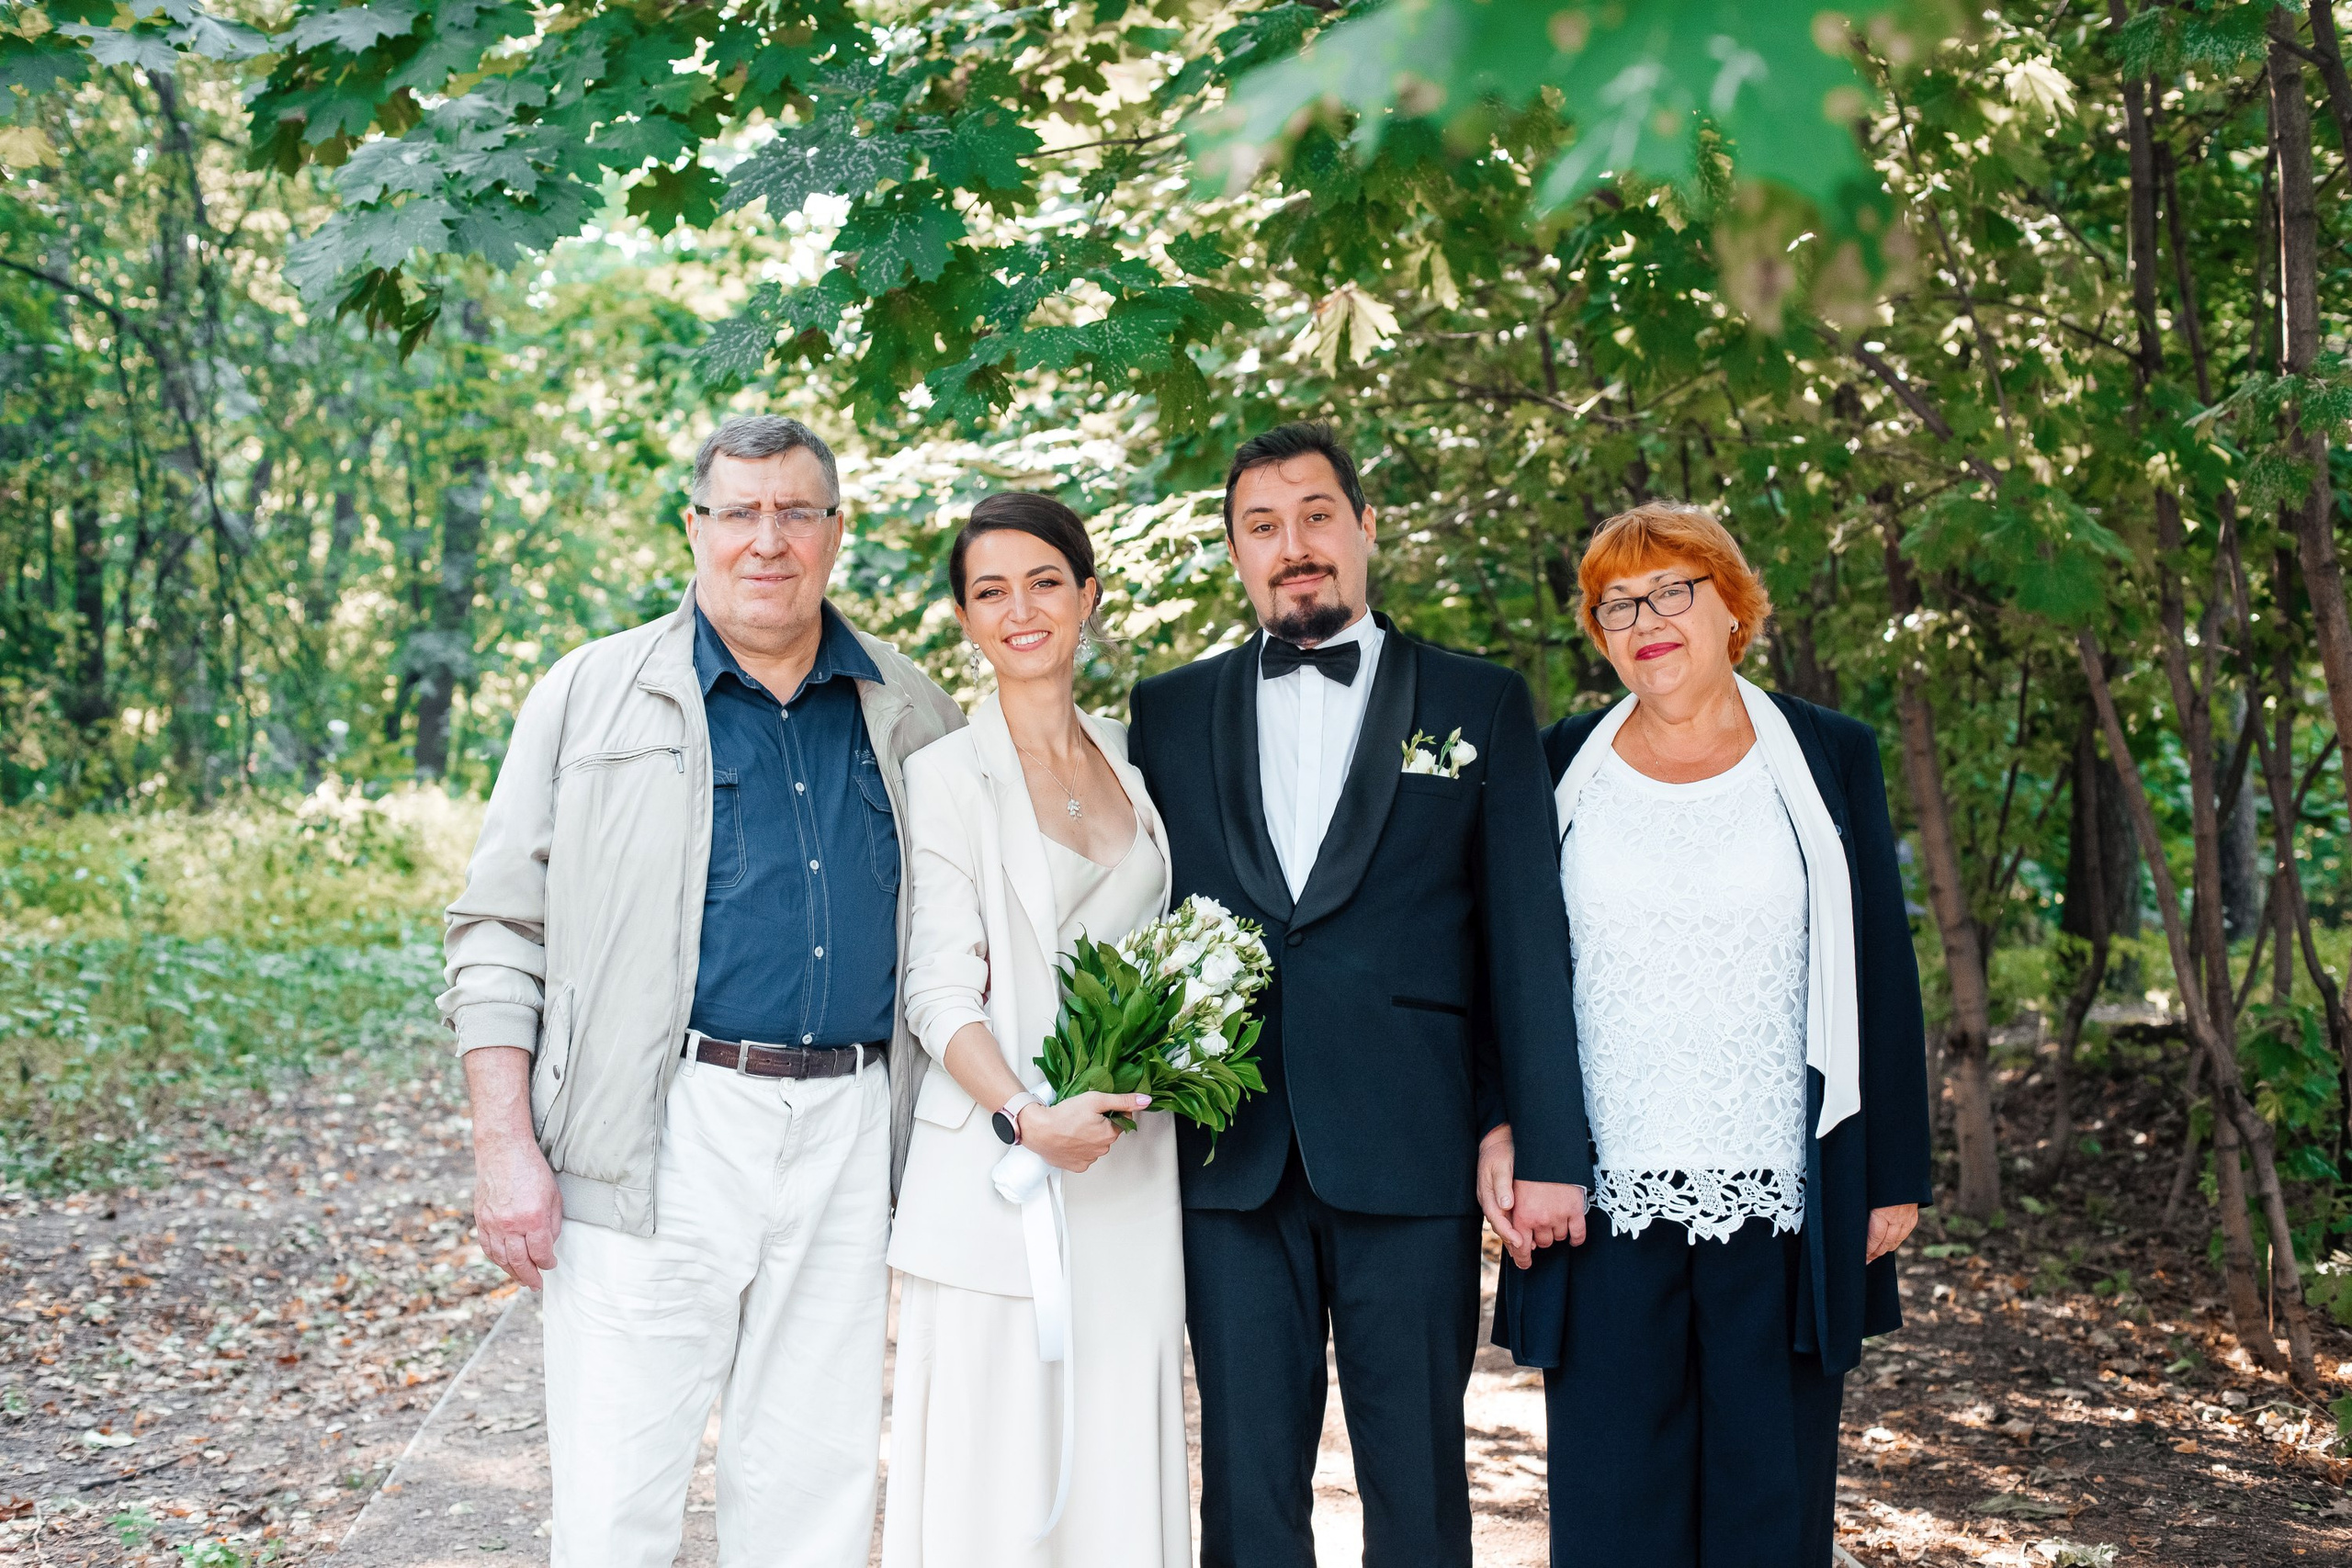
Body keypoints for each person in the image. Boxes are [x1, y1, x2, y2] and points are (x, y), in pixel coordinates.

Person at [437, 414, 965, 1568]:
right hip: (653, 1130)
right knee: (619, 1492)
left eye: (795, 511)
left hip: (851, 1129)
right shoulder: (587, 696)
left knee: (813, 1489)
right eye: (738, 511)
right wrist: (503, 1146)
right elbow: (495, 929)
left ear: (837, 530)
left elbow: (968, 949)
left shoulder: (916, 712)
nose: (765, 540)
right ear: (696, 526)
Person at [1125, 423, 1589, 1568]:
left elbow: (1524, 938)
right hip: (1230, 1151)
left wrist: (1533, 1133)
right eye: (1262, 526)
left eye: (1316, 516)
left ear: (1366, 526)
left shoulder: (1479, 703)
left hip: (1412, 1143)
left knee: (1419, 1475)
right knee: (1242, 1481)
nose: (1294, 546)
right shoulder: (1165, 712)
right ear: (1234, 551)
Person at [1491, 502, 1934, 1568]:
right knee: (1611, 1506)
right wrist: (1505, 1127)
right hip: (1597, 1195)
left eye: (1671, 591)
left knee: (1767, 1505)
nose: (1644, 618)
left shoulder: (1829, 754)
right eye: (1616, 604)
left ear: (1732, 607)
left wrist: (1892, 1168)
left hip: (1786, 1185)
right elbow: (1501, 965)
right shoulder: (1553, 766)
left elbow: (1880, 959)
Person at [881, 491, 1186, 1567]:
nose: (1020, 610)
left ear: (1088, 595)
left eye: (1044, 582)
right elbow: (934, 992)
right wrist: (1025, 1116)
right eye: (990, 591)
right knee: (994, 1482)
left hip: (1132, 1172)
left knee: (1114, 1460)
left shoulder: (1137, 757)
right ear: (966, 620)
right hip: (1001, 1174)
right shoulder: (945, 776)